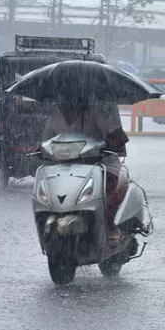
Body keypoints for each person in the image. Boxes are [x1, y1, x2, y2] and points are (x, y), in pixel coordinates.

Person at [42, 99, 129, 245]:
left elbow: (120, 137)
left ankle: (111, 228)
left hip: (102, 167)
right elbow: (45, 143)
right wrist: (38, 150)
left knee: (98, 199)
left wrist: (107, 146)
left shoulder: (97, 113)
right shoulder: (55, 118)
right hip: (66, 170)